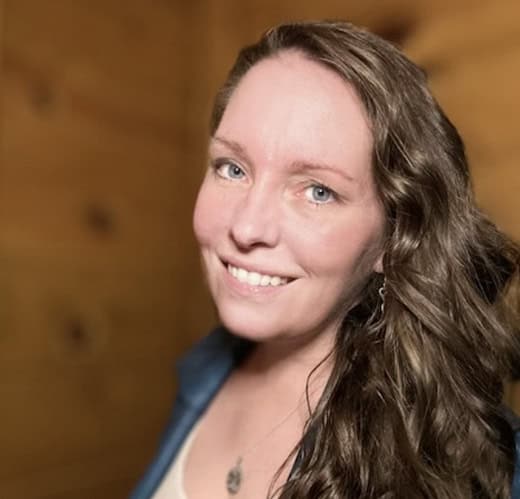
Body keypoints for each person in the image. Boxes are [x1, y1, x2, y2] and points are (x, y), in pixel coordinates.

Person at [131, 21, 520, 499]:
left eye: (318, 191)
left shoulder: (463, 463)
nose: (247, 228)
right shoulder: (205, 372)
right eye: (232, 168)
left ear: (392, 239)